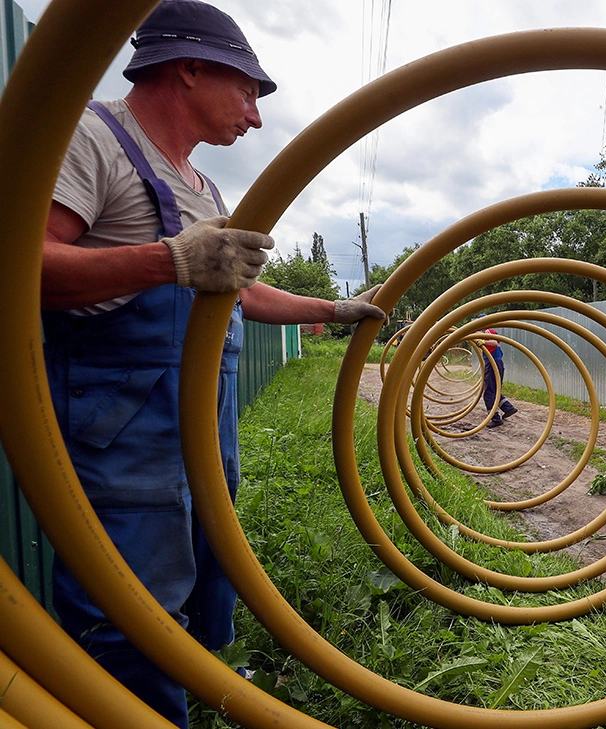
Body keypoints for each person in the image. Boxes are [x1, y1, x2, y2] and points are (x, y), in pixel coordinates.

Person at [39, 2, 384, 726]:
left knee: (204, 562)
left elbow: (239, 291)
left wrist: (333, 309)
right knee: (129, 598)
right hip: (122, 421)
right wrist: (167, 260)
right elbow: (26, 267)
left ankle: (203, 674)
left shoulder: (202, 186)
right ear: (189, 67)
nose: (256, 118)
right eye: (250, 90)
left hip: (197, 423)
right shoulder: (93, 137)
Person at [475, 322, 518, 427]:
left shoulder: (487, 332)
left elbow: (494, 343)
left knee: (489, 393)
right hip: (497, 363)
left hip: (493, 364)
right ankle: (508, 408)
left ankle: (495, 418)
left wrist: (483, 342)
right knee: (494, 390)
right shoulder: (487, 332)